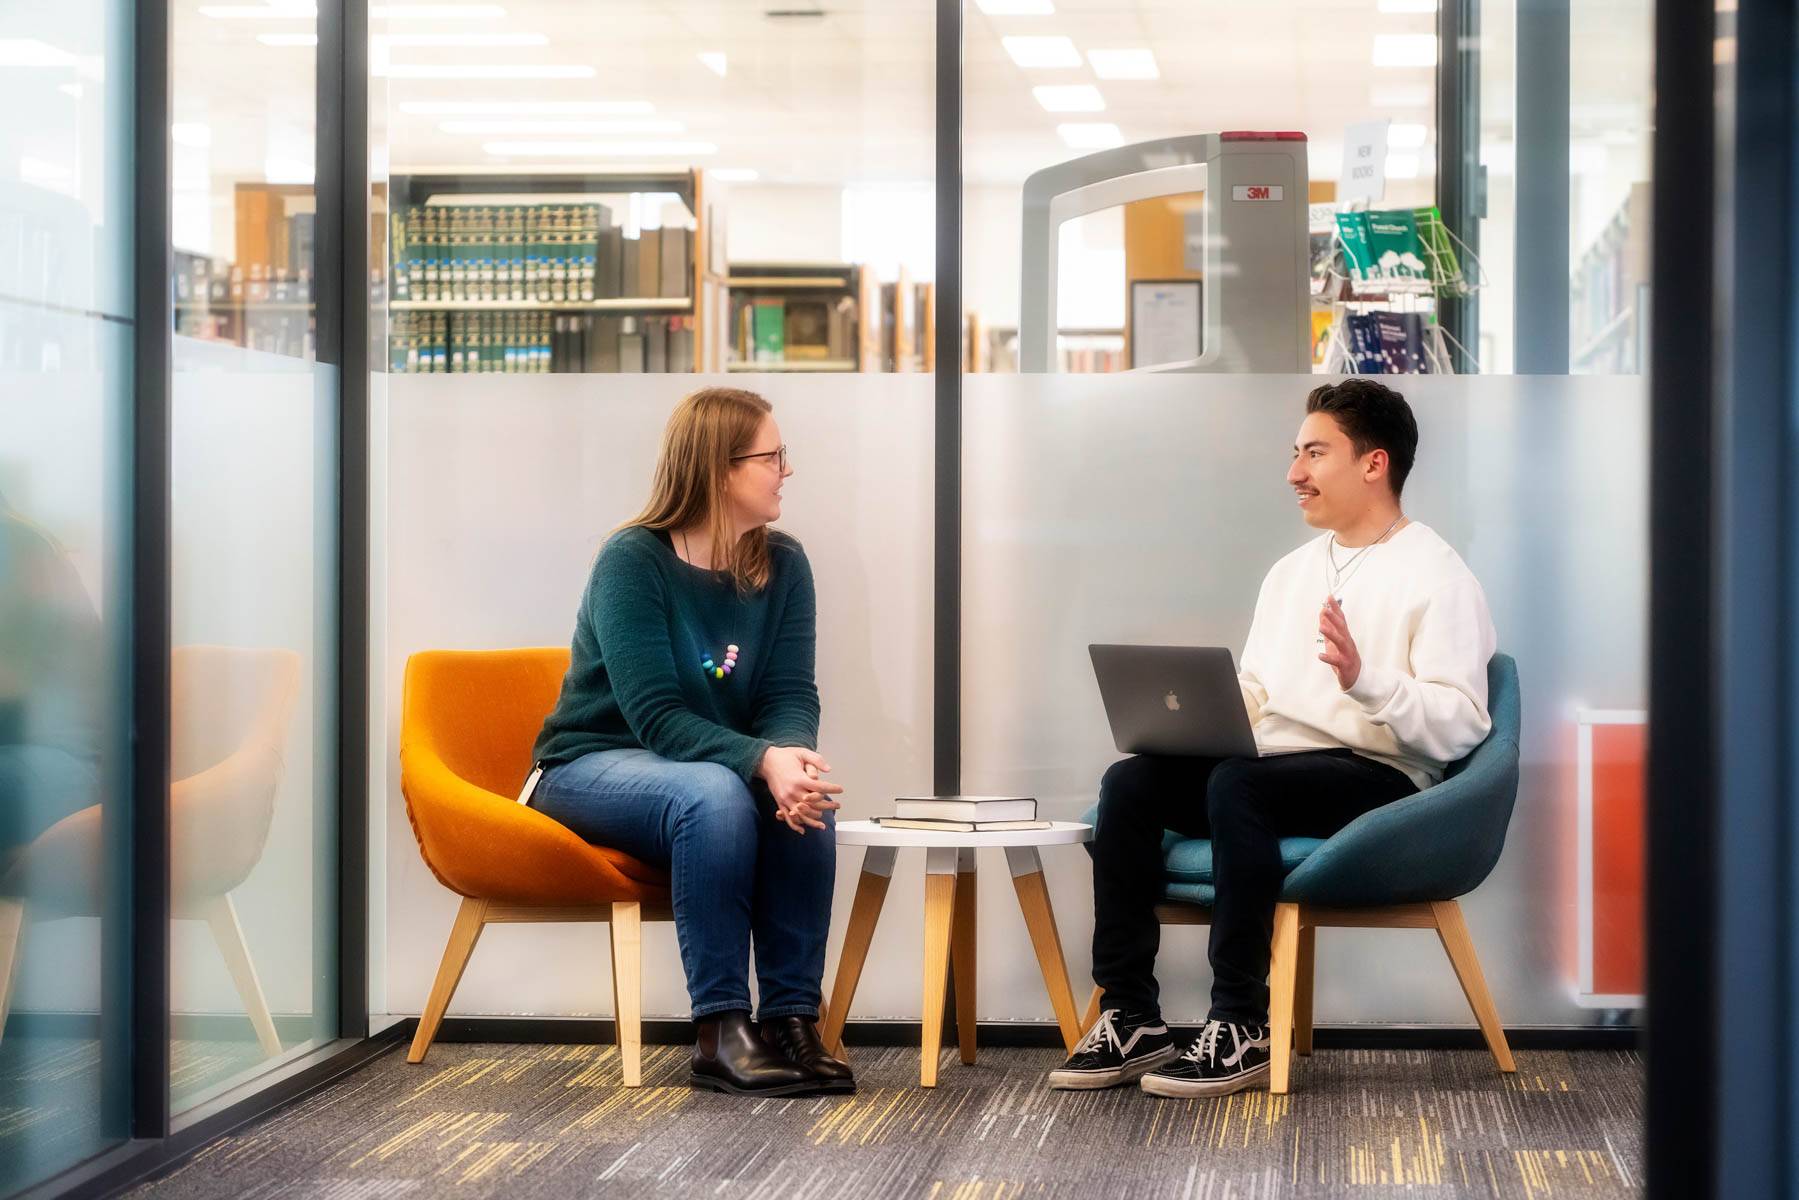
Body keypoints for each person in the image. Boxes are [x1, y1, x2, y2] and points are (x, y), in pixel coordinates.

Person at [1050, 378, 1497, 1098]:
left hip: (1377, 775)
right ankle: (1131, 1015)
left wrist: (1366, 680)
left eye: (1314, 453)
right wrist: (1204, 719)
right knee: (1129, 783)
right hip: (1270, 767)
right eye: (1296, 453)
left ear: (1372, 464)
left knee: (1239, 785)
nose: (1294, 473)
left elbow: (1461, 724)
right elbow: (1260, 690)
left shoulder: (1438, 576)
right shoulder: (1292, 572)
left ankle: (1242, 1023)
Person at [526, 387, 853, 1097]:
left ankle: (793, 1021)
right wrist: (759, 759)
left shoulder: (784, 565)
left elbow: (788, 693)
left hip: (695, 767)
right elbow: (655, 716)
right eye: (772, 457)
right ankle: (720, 1030)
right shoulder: (631, 561)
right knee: (714, 793)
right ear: (718, 469)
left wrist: (788, 758)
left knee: (804, 794)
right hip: (585, 766)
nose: (785, 471)